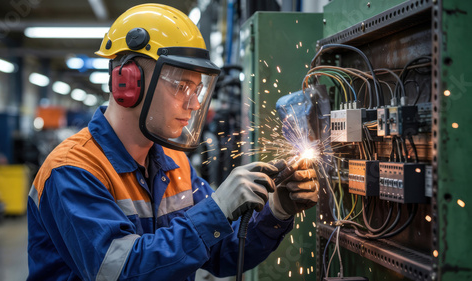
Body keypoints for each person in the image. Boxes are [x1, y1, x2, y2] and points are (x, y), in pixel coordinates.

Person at [27, 4, 318, 281]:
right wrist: (215, 210)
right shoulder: (72, 170)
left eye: (197, 89)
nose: (193, 104)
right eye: (181, 86)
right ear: (126, 84)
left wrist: (276, 211)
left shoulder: (174, 163)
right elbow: (121, 272)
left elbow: (220, 252)